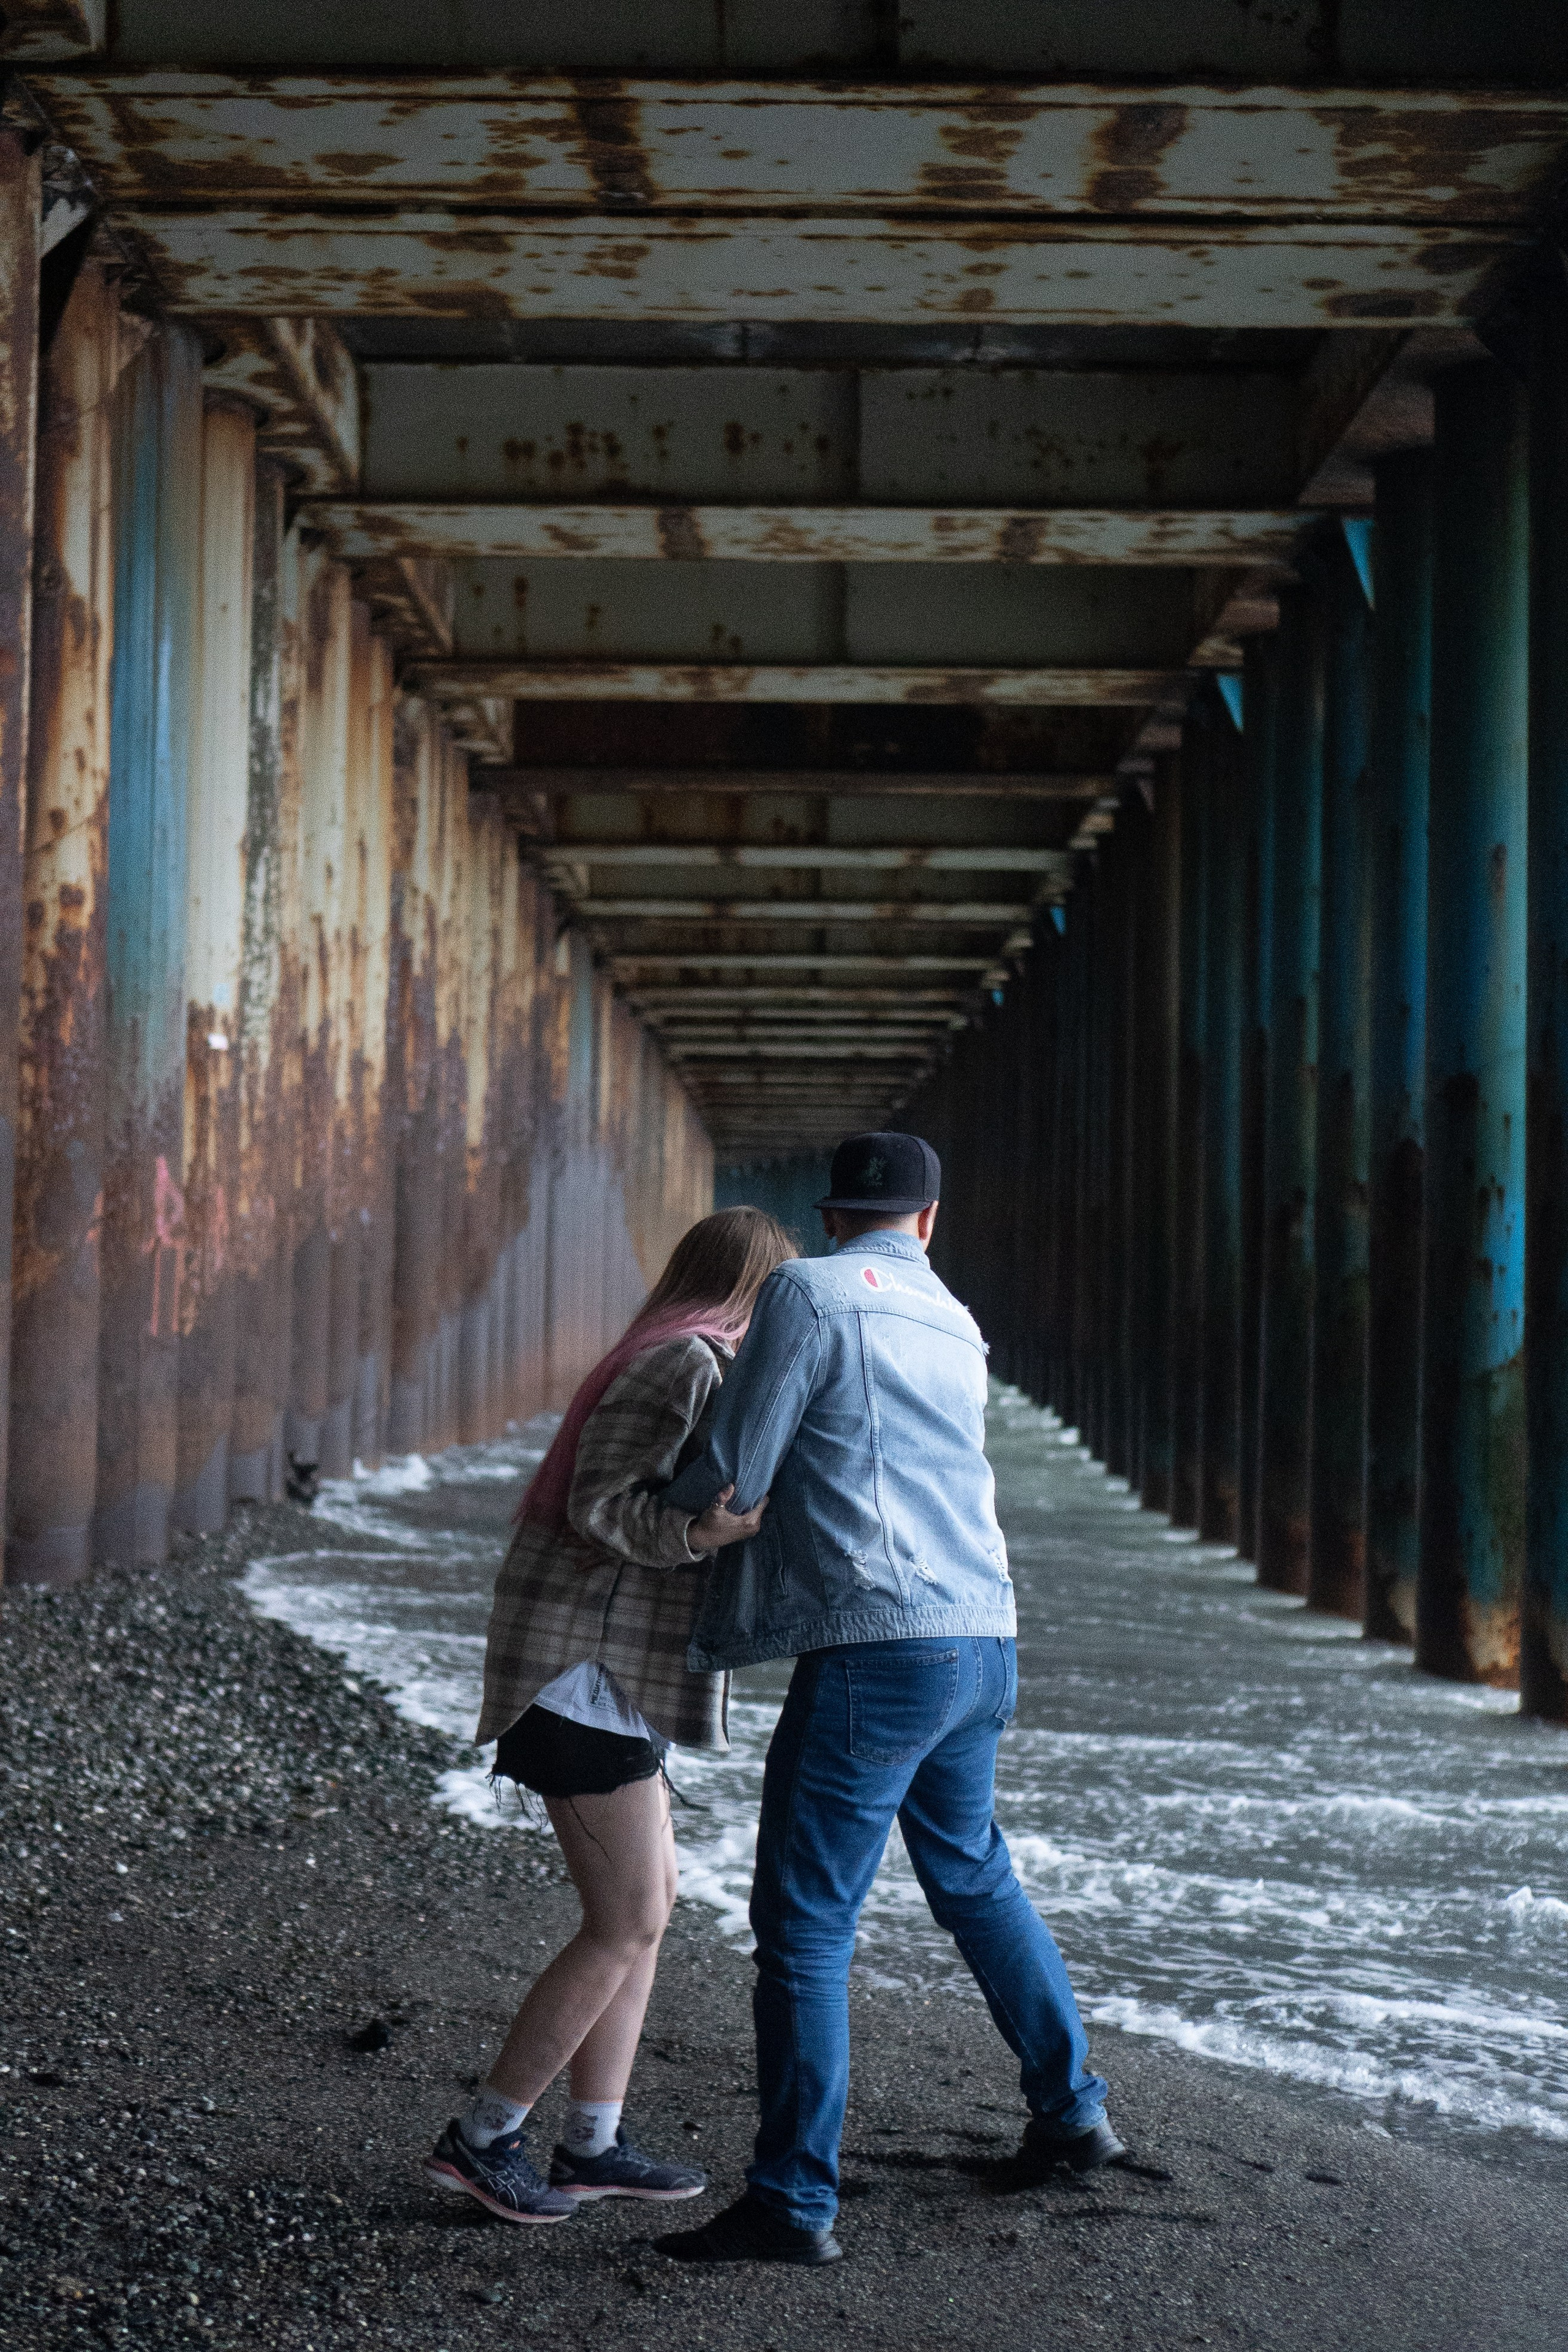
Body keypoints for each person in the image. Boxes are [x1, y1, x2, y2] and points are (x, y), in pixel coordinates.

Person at [651, 1133, 1120, 2267]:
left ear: (828, 1217)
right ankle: (1072, 2113)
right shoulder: (956, 1319)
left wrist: (645, 1497)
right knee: (973, 1874)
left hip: (881, 1647)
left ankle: (792, 2203)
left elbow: (734, 1469)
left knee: (805, 1927)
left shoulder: (807, 1293)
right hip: (985, 1637)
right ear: (929, 1219)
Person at [424, 1205, 794, 2225]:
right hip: (578, 1676)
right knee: (626, 1918)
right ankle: (483, 2138)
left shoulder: (694, 1357)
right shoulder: (680, 1360)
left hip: (615, 1682)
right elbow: (600, 1503)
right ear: (759, 1290)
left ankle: (592, 2144)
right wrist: (700, 1535)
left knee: (648, 1910)